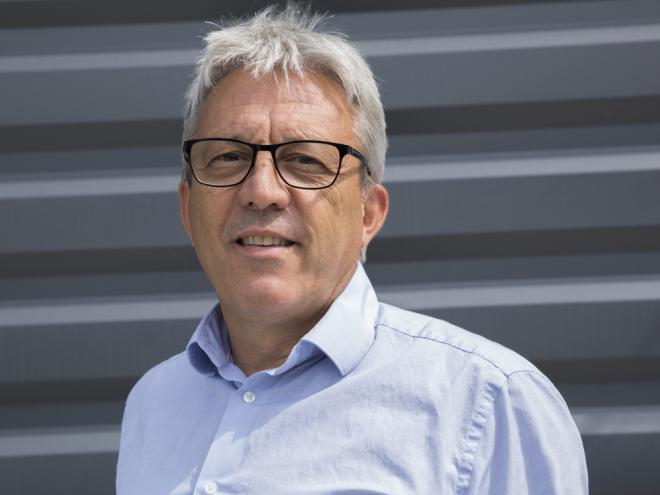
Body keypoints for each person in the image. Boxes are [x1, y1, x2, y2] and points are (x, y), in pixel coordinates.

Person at [116, 5, 588, 494]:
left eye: (304, 161)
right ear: (188, 207)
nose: (261, 191)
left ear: (368, 214)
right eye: (229, 156)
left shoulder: (487, 404)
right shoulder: (154, 403)